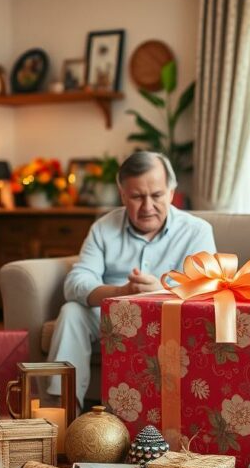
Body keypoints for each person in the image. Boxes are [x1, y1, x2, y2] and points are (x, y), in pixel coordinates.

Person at [47, 151, 216, 407]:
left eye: (157, 195)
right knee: (72, 311)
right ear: (123, 195)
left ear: (171, 192)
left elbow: (207, 285)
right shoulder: (103, 228)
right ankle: (61, 415)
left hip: (170, 321)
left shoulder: (197, 231)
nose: (147, 206)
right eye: (137, 197)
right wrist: (121, 291)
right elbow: (76, 282)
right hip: (111, 316)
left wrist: (160, 289)